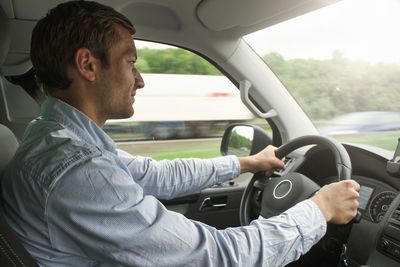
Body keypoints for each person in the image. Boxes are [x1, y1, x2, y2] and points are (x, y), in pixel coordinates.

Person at [0, 1, 360, 266]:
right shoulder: (78, 171)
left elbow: (155, 174)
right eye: (130, 62)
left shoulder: (56, 139)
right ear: (88, 65)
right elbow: (217, 257)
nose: (140, 79)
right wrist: (318, 209)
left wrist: (247, 162)